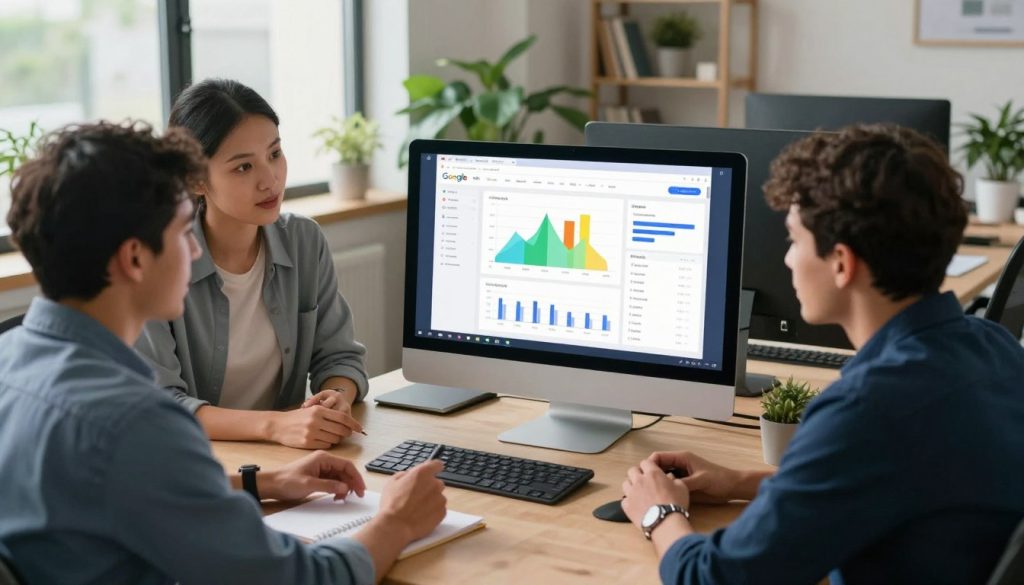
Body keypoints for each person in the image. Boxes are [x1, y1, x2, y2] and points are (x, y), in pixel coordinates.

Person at [0, 120, 446, 584]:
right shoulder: (136, 424)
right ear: (134, 259)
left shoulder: (9, 357)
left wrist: (262, 482)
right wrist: (397, 520)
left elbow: (115, 491)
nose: (194, 251)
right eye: (180, 232)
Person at [620, 125, 1024, 584]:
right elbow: (899, 483)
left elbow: (714, 578)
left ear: (841, 263)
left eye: (794, 239)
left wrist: (660, 512)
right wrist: (739, 482)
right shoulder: (994, 347)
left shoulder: (867, 411)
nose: (789, 259)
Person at [135, 78, 367, 449]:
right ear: (195, 179)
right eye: (243, 167)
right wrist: (275, 426)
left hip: (284, 460)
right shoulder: (157, 263)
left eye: (274, 154)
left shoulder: (304, 241)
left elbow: (339, 355)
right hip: (196, 465)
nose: (270, 179)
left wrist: (337, 394)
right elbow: (162, 405)